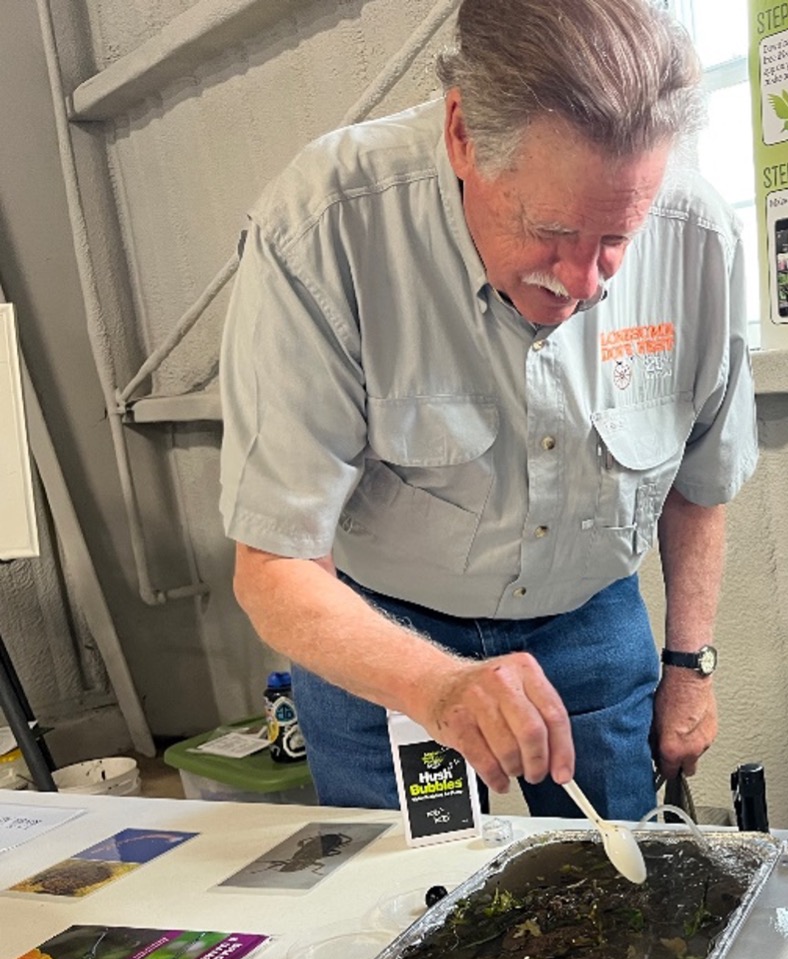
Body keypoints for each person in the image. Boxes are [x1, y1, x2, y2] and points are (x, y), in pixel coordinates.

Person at [219, 0, 756, 822]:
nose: (587, 284)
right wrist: (437, 686)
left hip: (591, 617)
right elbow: (274, 567)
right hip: (383, 632)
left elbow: (699, 482)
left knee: (619, 902)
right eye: (551, 230)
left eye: (618, 237)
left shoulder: (699, 235)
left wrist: (691, 665)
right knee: (402, 909)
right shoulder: (326, 227)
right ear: (463, 134)